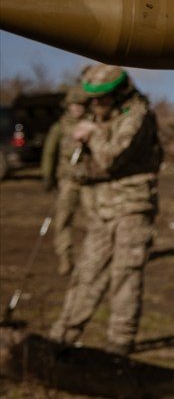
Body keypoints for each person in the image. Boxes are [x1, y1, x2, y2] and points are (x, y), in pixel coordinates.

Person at [48, 65, 162, 356]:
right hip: (100, 208)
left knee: (126, 274)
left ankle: (119, 346)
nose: (95, 105)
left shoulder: (137, 115)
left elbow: (111, 157)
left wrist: (92, 133)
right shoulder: (100, 114)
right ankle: (61, 337)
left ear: (120, 93)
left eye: (101, 99)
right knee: (88, 272)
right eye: (92, 99)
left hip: (133, 206)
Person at [40, 85, 92, 276]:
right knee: (63, 221)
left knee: (94, 221)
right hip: (67, 180)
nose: (78, 108)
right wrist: (47, 175)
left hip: (89, 181)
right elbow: (50, 152)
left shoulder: (92, 124)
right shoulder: (60, 126)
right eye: (74, 104)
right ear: (68, 106)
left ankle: (90, 259)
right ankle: (65, 258)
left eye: (81, 105)